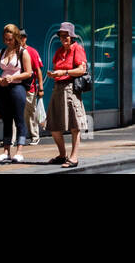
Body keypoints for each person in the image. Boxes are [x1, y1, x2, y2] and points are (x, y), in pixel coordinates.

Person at [46, 22, 88, 168]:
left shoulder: (77, 49)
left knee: (74, 125)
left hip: (70, 89)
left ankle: (74, 157)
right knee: (53, 125)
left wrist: (64, 72)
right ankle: (62, 155)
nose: (63, 38)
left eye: (66, 35)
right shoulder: (59, 51)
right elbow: (56, 67)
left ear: (71, 36)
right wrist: (54, 74)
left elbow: (82, 70)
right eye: (61, 35)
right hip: (58, 88)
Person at [0, 24, 33, 163]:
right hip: (3, 88)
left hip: (17, 88)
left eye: (9, 39)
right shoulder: (2, 51)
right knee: (6, 120)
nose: (7, 42)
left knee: (19, 119)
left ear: (15, 38)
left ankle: (19, 151)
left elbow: (29, 72)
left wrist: (13, 77)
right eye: (5, 39)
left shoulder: (22, 52)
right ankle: (6, 151)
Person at [19, 29, 44, 146]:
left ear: (26, 38)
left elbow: (38, 70)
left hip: (29, 87)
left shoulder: (31, 51)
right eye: (19, 37)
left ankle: (35, 136)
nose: (21, 39)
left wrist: (41, 87)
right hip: (16, 87)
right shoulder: (13, 51)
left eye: (23, 37)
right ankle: (13, 139)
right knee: (15, 113)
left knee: (30, 113)